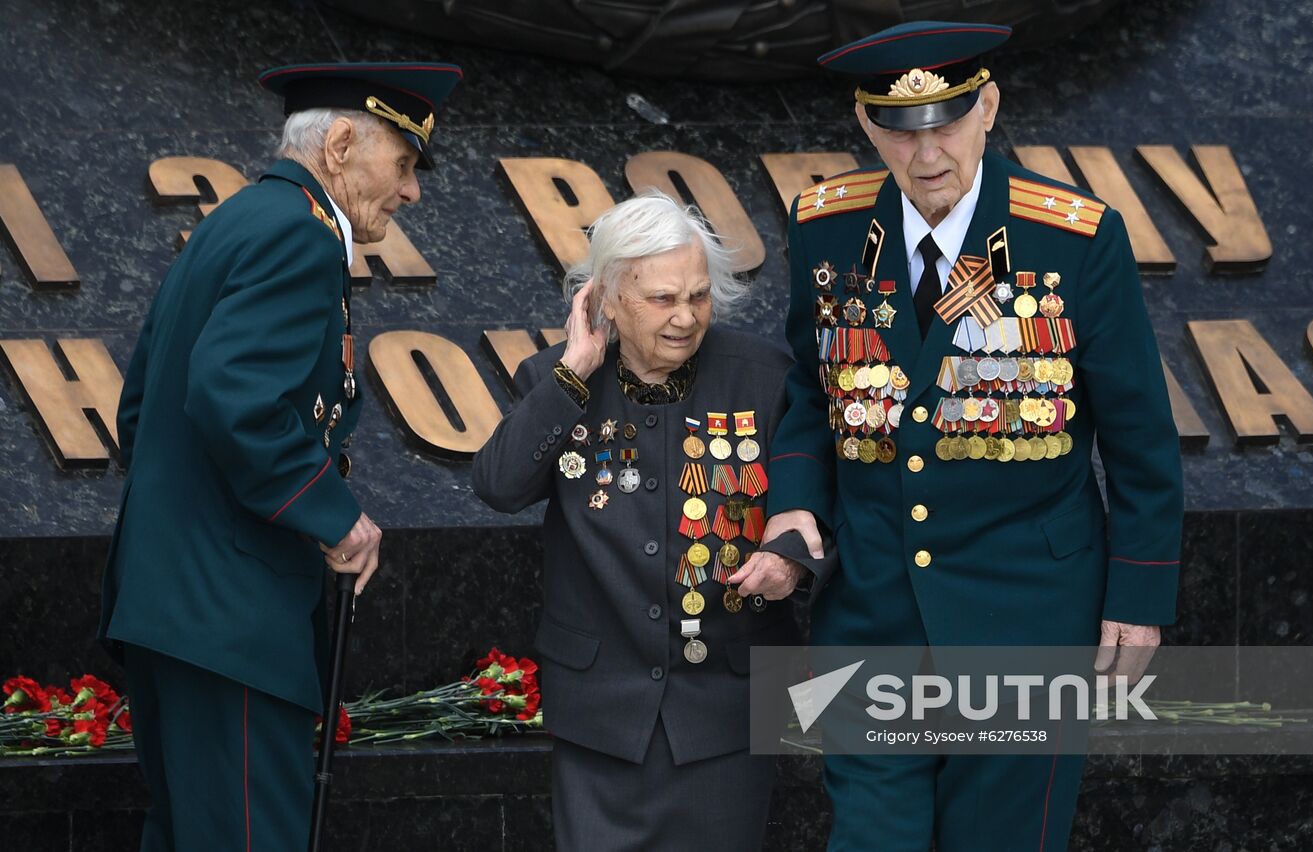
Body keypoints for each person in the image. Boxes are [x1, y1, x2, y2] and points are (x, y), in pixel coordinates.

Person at [739, 21, 1185, 851]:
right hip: (869, 609)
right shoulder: (824, 226)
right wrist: (796, 508)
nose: (928, 155)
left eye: (947, 124)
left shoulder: (1075, 237)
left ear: (988, 108)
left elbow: (1139, 435)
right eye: (902, 133)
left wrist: (1139, 599)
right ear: (869, 127)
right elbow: (813, 387)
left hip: (1026, 611)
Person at [98, 62, 462, 850]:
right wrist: (334, 515)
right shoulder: (300, 232)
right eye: (403, 165)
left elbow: (140, 409)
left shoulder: (240, 219)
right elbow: (233, 394)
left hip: (176, 607)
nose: (411, 192)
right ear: (339, 144)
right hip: (232, 619)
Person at [472, 190, 800, 851]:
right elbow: (498, 487)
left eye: (699, 296)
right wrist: (572, 374)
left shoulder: (763, 376)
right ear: (611, 297)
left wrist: (790, 557)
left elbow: (818, 497)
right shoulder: (558, 378)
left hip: (729, 707)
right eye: (663, 299)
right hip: (601, 715)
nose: (686, 317)